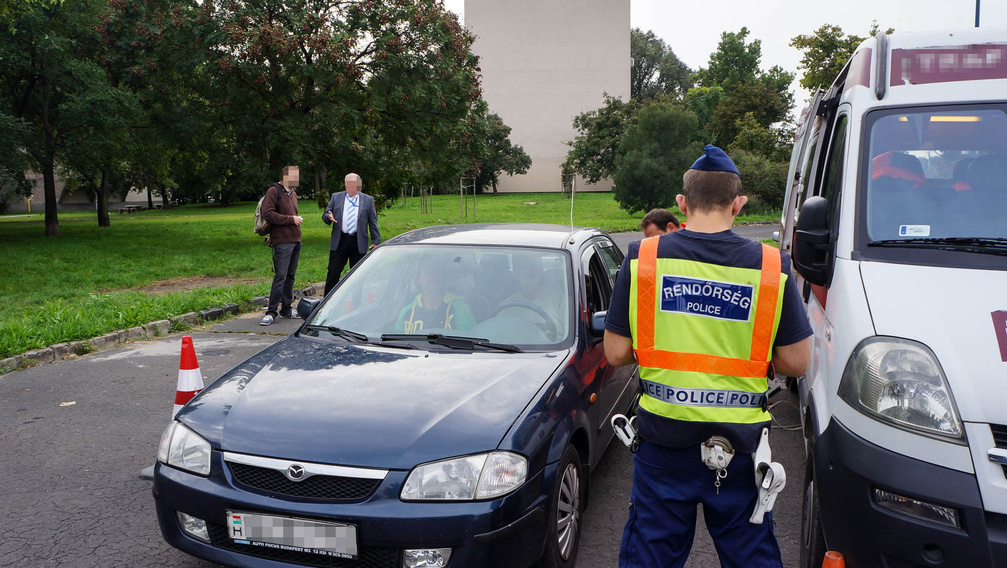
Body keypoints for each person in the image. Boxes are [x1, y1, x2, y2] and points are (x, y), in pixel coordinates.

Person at [604, 145, 812, 568]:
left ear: (683, 203)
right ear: (739, 203)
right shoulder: (772, 266)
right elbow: (796, 362)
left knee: (650, 557)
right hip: (739, 447)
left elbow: (615, 352)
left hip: (662, 445)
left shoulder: (642, 259)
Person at [322, 173, 381, 295]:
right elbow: (325, 214)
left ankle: (355, 301)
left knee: (357, 275)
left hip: (358, 241)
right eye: (348, 184)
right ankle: (327, 301)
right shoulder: (336, 197)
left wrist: (376, 241)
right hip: (340, 241)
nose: (350, 187)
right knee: (333, 272)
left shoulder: (368, 200)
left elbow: (373, 221)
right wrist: (328, 216)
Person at [260, 165, 304, 326]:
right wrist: (291, 219)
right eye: (295, 176)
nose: (298, 179)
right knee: (280, 276)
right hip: (282, 242)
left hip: (295, 240)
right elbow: (268, 213)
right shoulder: (274, 191)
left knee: (290, 276)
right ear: (286, 176)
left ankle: (286, 309)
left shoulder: (293, 194)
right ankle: (271, 312)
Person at [497, 253, 568, 340]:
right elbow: (499, 340)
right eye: (522, 267)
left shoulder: (561, 300)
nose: (529, 271)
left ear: (541, 270)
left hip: (557, 352)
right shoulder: (506, 307)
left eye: (533, 266)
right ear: (515, 273)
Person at [395, 262, 476, 333]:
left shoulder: (460, 309)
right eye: (428, 272)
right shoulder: (406, 312)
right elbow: (395, 343)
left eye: (437, 272)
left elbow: (471, 341)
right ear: (418, 279)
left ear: (443, 277)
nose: (433, 276)